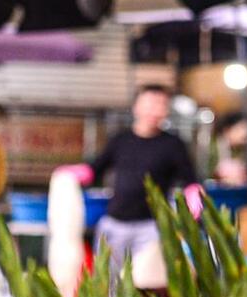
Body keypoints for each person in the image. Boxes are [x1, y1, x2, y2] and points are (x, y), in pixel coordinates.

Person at [66, 83, 202, 276]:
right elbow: (95, 170)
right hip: (114, 224)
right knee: (107, 282)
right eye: (150, 104)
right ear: (136, 107)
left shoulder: (174, 144)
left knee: (146, 283)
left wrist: (193, 193)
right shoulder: (120, 140)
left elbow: (190, 178)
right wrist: (75, 174)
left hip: (152, 228)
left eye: (162, 105)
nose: (155, 110)